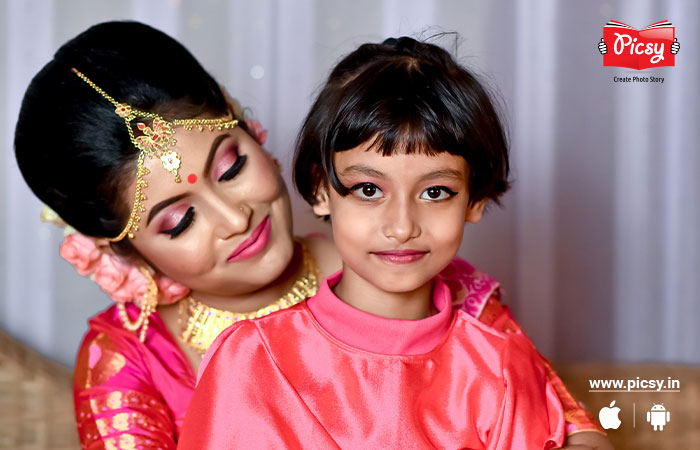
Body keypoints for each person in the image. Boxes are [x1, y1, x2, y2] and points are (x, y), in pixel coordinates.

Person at [15, 22, 605, 449]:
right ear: (119, 249)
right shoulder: (127, 361)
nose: (235, 218)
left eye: (231, 168)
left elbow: (558, 423)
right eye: (179, 220)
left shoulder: (400, 262)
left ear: (248, 126)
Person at [179, 37, 609, 449]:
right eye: (368, 189)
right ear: (320, 189)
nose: (402, 226)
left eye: (435, 192)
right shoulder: (250, 359)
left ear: (475, 199)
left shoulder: (501, 368)